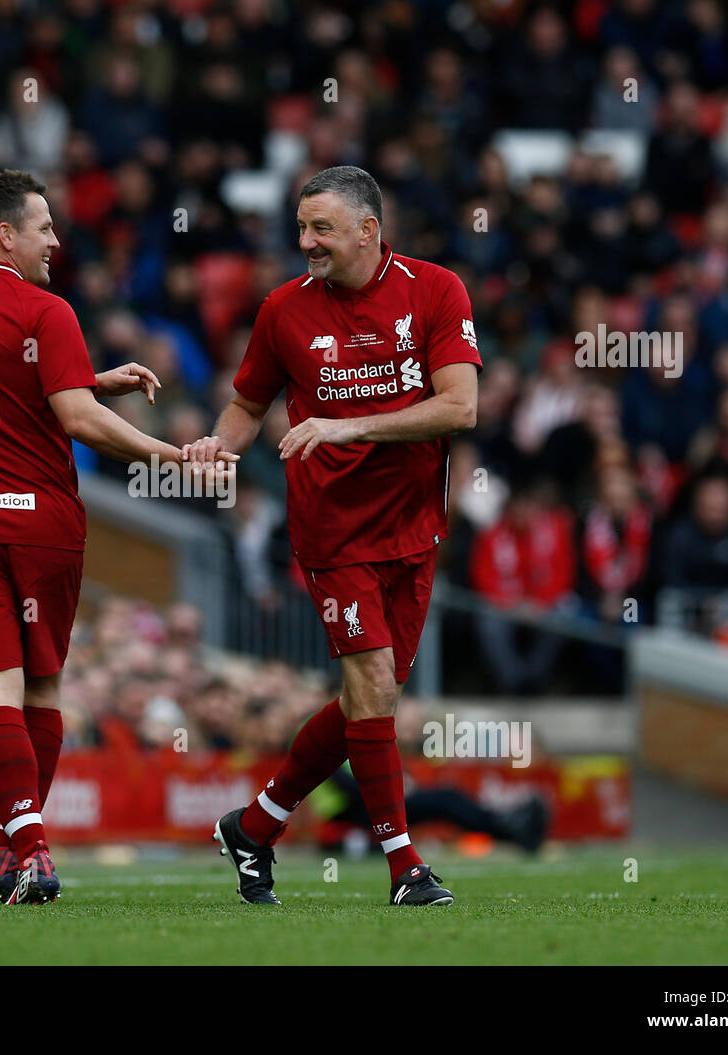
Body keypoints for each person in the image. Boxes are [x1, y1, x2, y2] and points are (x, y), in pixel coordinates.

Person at [0, 169, 233, 905]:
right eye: (45, 226)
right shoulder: (44, 308)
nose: (57, 239)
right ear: (7, 234)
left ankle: (17, 849)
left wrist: (85, 378)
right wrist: (176, 456)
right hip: (37, 521)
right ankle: (32, 850)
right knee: (43, 686)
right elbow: (74, 421)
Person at [185, 165, 481, 906]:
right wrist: (216, 446)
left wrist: (346, 424)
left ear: (368, 231)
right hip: (332, 531)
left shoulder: (437, 290)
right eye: (301, 227)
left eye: (320, 228)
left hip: (415, 529)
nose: (304, 241)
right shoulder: (283, 309)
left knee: (365, 702)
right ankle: (405, 867)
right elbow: (247, 404)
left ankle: (253, 826)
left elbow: (460, 407)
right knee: (374, 687)